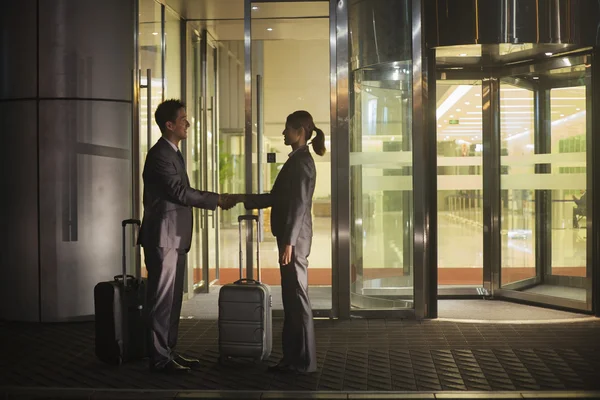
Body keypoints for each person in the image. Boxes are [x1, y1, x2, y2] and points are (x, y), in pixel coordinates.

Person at [138, 99, 235, 373]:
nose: (187, 123)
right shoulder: (160, 156)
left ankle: (168, 352)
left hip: (175, 238)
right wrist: (216, 199)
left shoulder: (173, 153)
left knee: (172, 300)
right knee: (161, 301)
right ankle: (159, 358)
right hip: (163, 238)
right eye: (183, 119)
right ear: (169, 125)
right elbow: (179, 193)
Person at [241, 110, 326, 374]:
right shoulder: (297, 161)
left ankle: (303, 362)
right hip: (293, 238)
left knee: (297, 298)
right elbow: (276, 198)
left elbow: (300, 206)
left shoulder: (301, 163)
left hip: (295, 240)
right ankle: (293, 359)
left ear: (299, 131)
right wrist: (237, 198)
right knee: (291, 299)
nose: (283, 133)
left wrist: (288, 243)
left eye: (287, 129)